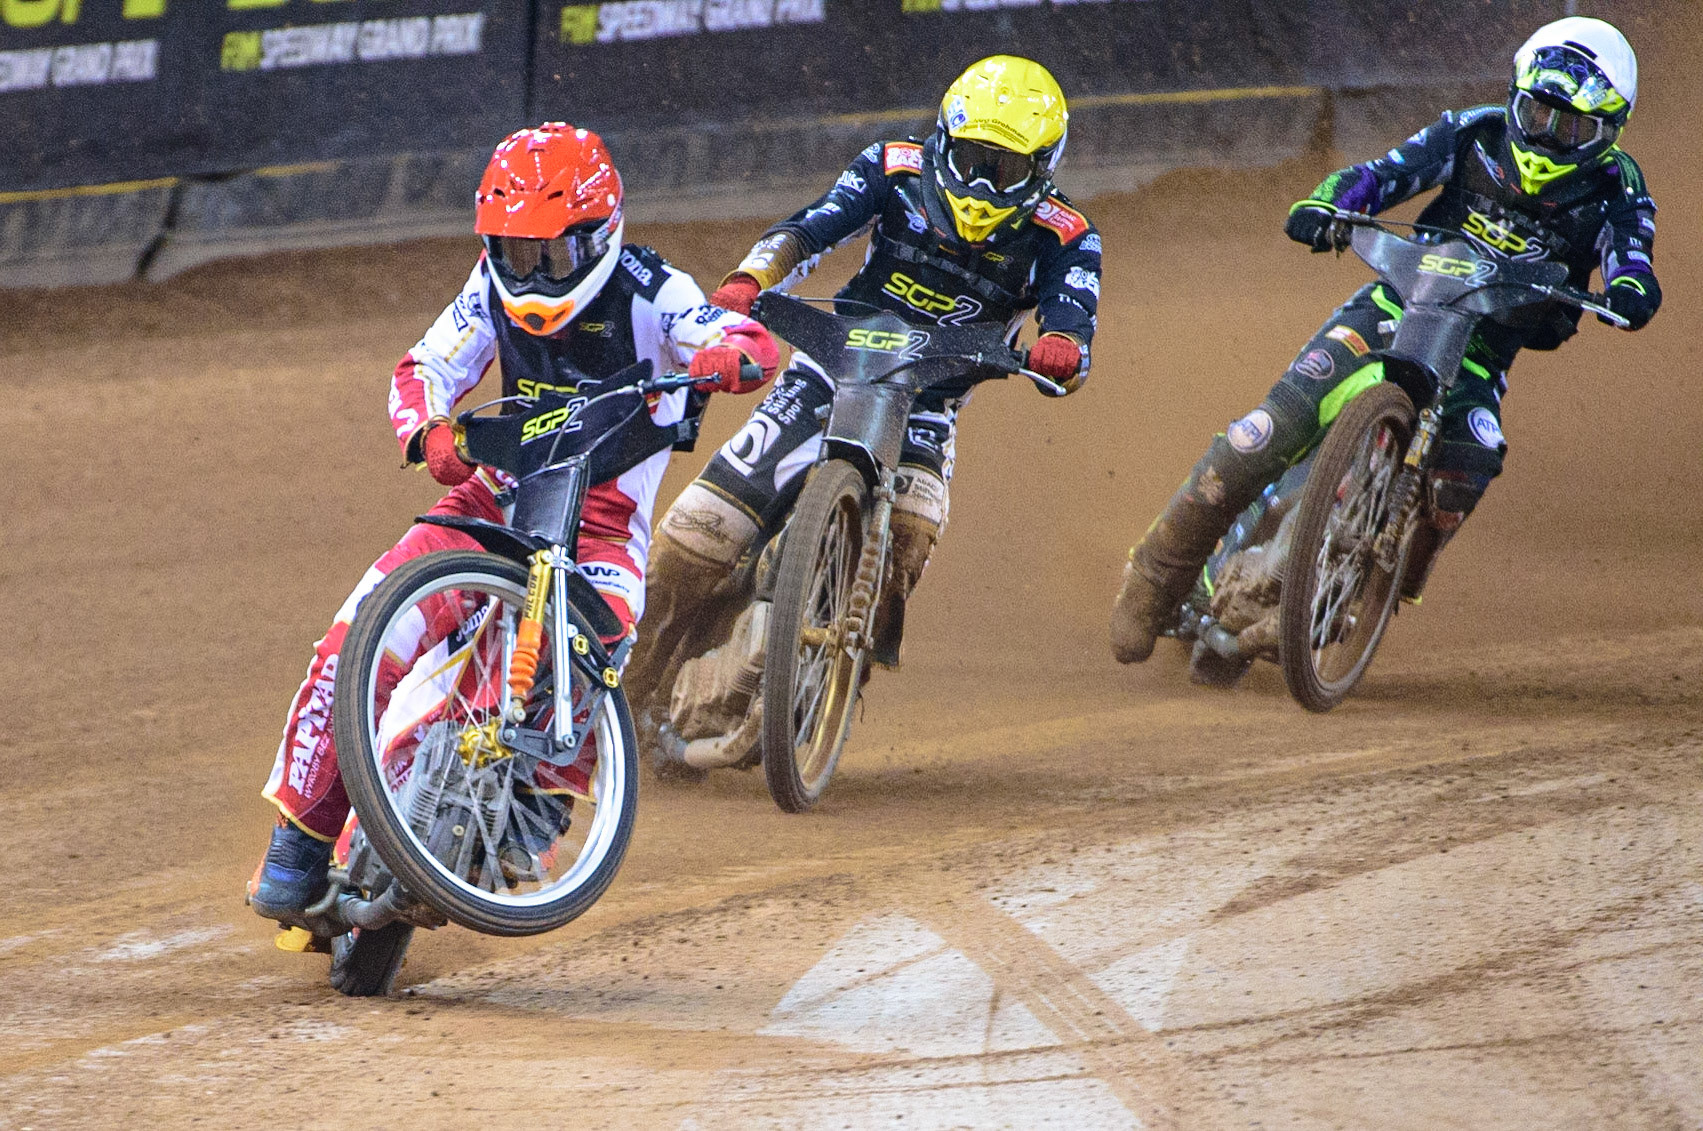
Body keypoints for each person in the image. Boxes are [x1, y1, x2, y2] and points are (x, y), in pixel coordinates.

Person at [249, 123, 778, 926]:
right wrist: (426, 431)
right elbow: (423, 367)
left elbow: (730, 333)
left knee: (587, 665)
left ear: (601, 233)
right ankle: (294, 852)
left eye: (548, 256)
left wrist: (733, 352)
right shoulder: (487, 285)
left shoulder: (653, 287)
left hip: (600, 526)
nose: (527, 274)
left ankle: (525, 828)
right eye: (511, 250)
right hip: (490, 498)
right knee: (356, 636)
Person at [1109, 16, 1660, 664]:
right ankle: (1155, 576)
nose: (1545, 135)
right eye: (1535, 113)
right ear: (1513, 97)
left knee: (1469, 462)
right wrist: (1325, 203)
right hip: (1393, 303)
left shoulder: (1618, 186)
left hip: (1478, 351)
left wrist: (1628, 290)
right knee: (1262, 431)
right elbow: (1378, 175)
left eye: (1570, 127)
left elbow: (1631, 255)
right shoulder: (1469, 132)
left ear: (1607, 131)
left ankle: (1377, 582)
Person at [623, 55, 1102, 758]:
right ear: (942, 139)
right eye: (968, 160)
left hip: (926, 407)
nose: (977, 185)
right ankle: (617, 700)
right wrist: (750, 279)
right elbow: (812, 227)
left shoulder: (1065, 234)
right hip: (824, 370)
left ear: (1040, 170)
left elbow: (1072, 321)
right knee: (690, 541)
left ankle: (836, 673)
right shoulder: (892, 166)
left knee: (907, 531)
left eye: (1000, 172)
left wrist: (1061, 346)